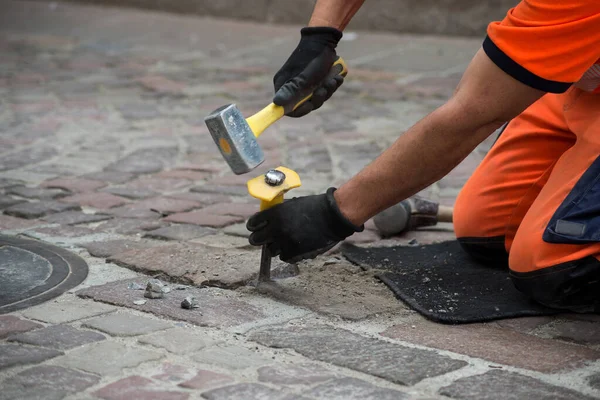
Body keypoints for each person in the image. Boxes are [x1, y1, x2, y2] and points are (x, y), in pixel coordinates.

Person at [246, 0, 600, 312]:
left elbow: (473, 113)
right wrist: (321, 34)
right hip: (579, 84)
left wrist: (336, 212)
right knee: (483, 229)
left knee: (554, 268)